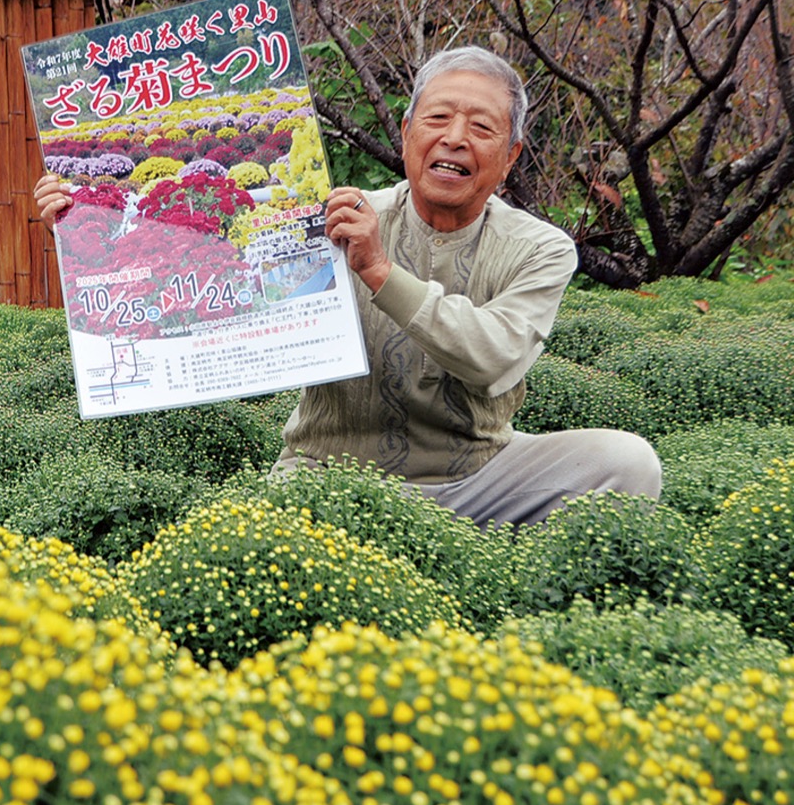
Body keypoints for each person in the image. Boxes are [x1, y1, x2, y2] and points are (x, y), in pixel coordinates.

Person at [35, 45, 662, 527]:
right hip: (326, 475)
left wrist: (380, 272)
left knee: (628, 464)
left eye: (481, 128)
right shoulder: (338, 217)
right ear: (409, 130)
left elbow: (494, 357)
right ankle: (414, 547)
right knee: (251, 540)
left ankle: (475, 562)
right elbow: (216, 305)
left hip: (474, 476)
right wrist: (93, 224)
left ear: (511, 154)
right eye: (438, 118)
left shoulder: (540, 248)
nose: (454, 139)